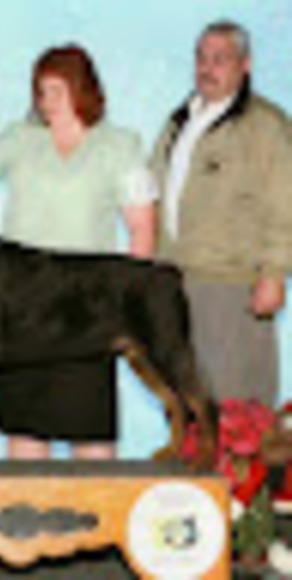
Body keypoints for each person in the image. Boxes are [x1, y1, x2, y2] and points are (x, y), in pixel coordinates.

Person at [0, 45, 157, 460]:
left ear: (84, 89)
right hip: (21, 306)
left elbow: (142, 228)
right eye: (41, 92)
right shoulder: (22, 139)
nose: (46, 101)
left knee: (92, 438)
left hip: (85, 306)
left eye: (57, 90)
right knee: (24, 436)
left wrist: (131, 303)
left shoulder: (121, 146)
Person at [151, 21, 292, 406]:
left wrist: (274, 275)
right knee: (185, 402)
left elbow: (285, 203)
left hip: (231, 285)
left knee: (236, 404)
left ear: (245, 65)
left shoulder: (266, 126)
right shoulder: (179, 121)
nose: (206, 68)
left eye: (219, 59)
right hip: (173, 281)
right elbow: (152, 190)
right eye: (201, 58)